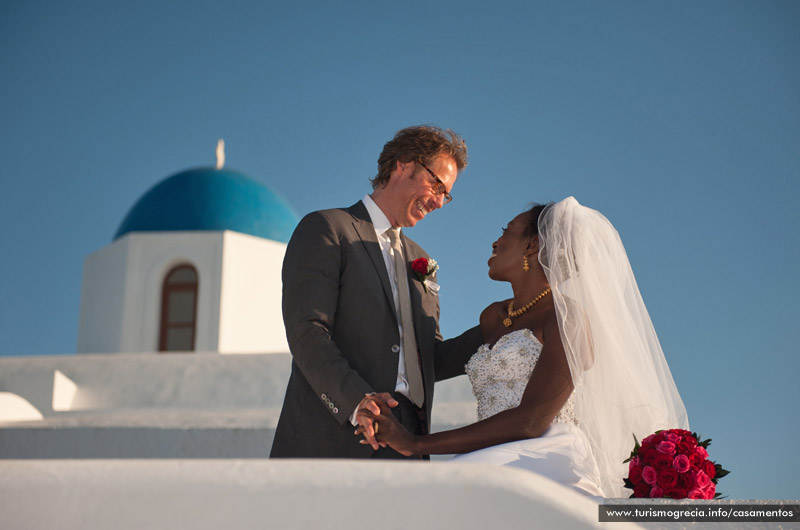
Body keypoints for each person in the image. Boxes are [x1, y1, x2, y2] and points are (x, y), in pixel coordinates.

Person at [356, 197, 689, 497]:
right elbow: (430, 363)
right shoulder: (495, 317)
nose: (496, 241)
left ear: (532, 245)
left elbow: (531, 421)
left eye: (507, 231)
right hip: (487, 457)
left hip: (541, 458)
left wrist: (415, 444)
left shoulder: (567, 318)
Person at [271, 125, 485, 459]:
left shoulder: (422, 259)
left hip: (408, 441)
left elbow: (427, 358)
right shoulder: (328, 229)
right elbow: (307, 331)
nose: (440, 202)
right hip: (337, 435)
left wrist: (504, 323)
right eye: (437, 185)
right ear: (403, 165)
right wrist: (357, 401)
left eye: (447, 194)